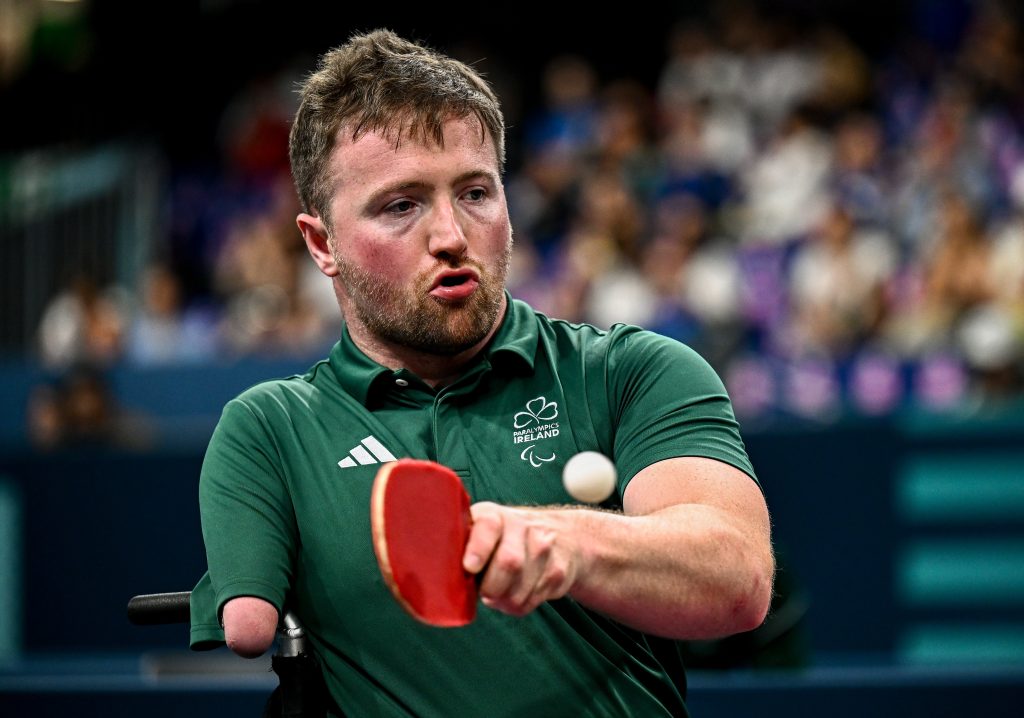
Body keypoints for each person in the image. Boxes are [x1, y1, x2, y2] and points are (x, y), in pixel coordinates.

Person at [190, 29, 773, 717]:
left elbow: (737, 579)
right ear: (322, 243)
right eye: (400, 205)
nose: (451, 237)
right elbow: (250, 627)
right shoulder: (271, 428)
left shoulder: (633, 371)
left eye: (474, 193)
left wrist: (564, 542)